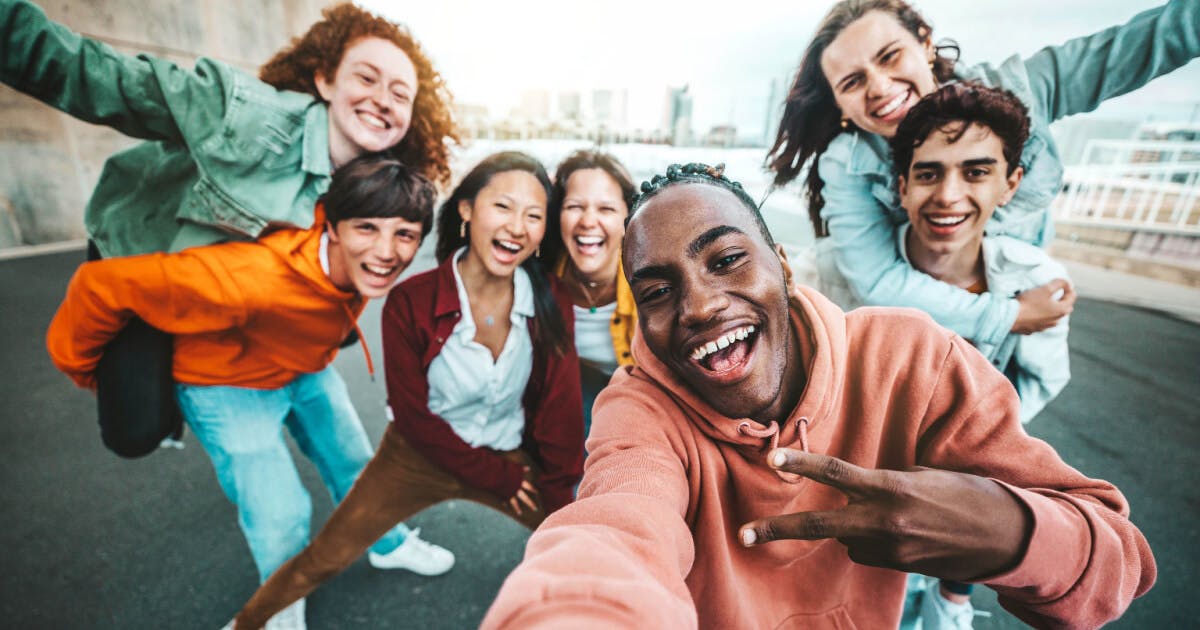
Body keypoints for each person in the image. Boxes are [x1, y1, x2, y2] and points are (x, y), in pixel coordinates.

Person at [480, 163, 1155, 630]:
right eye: (657, 291)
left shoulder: (907, 357)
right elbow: (617, 526)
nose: (699, 305)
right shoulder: (641, 405)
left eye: (726, 259)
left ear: (781, 258)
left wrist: (1008, 532)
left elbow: (1117, 564)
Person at [0, 0, 458, 457]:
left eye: (400, 94)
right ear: (325, 80)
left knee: (301, 339)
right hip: (147, 251)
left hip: (234, 280)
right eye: (366, 77)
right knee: (136, 431)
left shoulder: (379, 178)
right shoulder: (239, 115)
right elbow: (98, 76)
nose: (383, 99)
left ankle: (238, 383)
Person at [45, 155, 455, 629]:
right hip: (224, 385)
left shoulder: (358, 265)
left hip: (303, 368)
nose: (387, 251)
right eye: (367, 228)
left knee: (357, 464)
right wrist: (93, 377)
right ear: (334, 228)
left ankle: (388, 544)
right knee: (280, 512)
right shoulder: (246, 278)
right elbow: (100, 285)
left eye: (405, 234)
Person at [227, 152, 585, 630]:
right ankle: (248, 620)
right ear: (466, 210)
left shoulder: (551, 299)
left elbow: (558, 411)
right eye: (503, 207)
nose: (517, 226)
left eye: (534, 215)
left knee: (585, 549)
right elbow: (414, 417)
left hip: (508, 454)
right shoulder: (411, 301)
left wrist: (561, 503)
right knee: (326, 556)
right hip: (416, 457)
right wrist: (492, 476)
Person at [765, 0, 1199, 357]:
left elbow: (1149, 42)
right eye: (853, 81)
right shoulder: (847, 163)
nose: (878, 86)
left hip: (1011, 324)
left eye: (890, 56)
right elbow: (875, 280)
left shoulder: (1023, 88)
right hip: (915, 336)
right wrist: (1008, 316)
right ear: (841, 104)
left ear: (925, 43)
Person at [890, 83, 1070, 425]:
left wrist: (980, 442)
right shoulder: (831, 274)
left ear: (1009, 185)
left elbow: (1044, 379)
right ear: (904, 188)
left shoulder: (1035, 278)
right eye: (929, 174)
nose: (948, 195)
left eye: (976, 173)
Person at [544, 150, 638, 436]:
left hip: (647, 400)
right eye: (574, 206)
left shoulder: (652, 280)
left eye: (606, 209)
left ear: (628, 218)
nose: (588, 221)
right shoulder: (541, 275)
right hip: (578, 398)